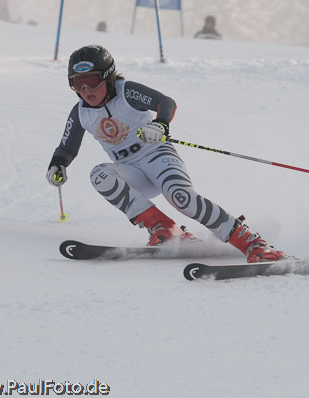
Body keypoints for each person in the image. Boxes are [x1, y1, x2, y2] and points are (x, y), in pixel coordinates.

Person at [46, 45, 284, 263]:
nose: (86, 90)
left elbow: (164, 101)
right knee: (99, 175)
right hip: (132, 171)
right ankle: (165, 229)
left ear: (108, 77)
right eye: (77, 84)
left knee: (181, 198)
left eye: (92, 81)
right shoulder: (80, 113)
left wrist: (160, 124)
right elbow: (67, 148)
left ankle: (253, 243)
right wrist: (58, 165)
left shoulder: (126, 91)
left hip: (158, 156)